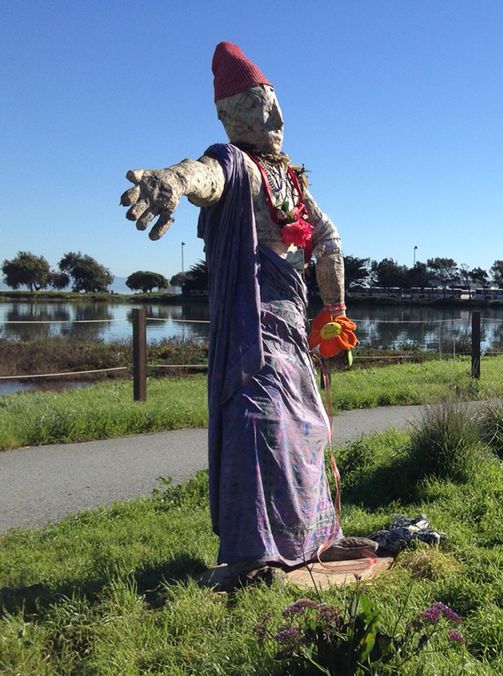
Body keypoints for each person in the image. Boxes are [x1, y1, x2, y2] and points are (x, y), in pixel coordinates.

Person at [120, 42, 366, 582]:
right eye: (260, 104)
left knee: (309, 428)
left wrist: (335, 312)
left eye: (274, 103)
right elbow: (207, 174)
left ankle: (315, 537)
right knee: (260, 424)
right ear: (230, 114)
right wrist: (176, 181)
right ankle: (255, 554)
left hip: (293, 329)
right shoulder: (238, 165)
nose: (276, 116)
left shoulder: (292, 181)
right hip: (253, 333)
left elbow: (329, 239)